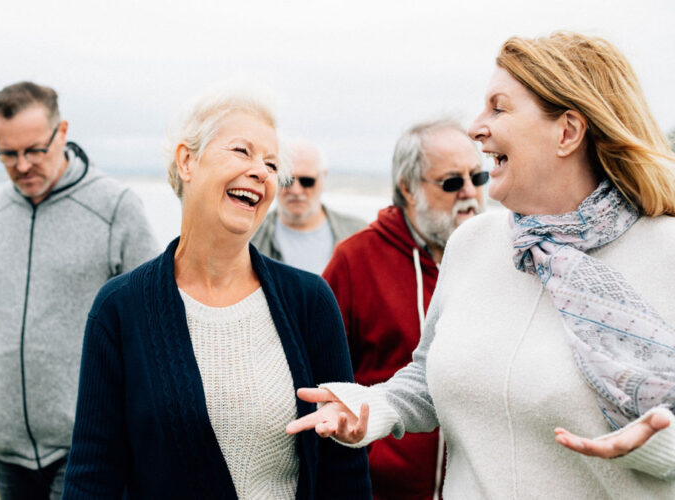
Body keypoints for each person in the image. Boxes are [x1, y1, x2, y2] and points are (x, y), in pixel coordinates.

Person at [287, 32, 675, 498]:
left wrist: (659, 447)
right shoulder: (473, 243)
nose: (475, 128)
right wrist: (372, 406)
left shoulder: (665, 252)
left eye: (498, 108)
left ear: (567, 132)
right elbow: (429, 377)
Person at [61, 87, 370, 499]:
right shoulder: (120, 309)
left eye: (272, 164)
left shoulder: (310, 301)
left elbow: (345, 472)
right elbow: (91, 476)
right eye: (242, 151)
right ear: (186, 161)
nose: (261, 172)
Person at [0, 81, 158, 499]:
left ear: (62, 132)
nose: (22, 165)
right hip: (6, 449)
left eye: (34, 150)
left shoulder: (117, 207)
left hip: (89, 447)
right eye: (7, 153)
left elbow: (153, 315)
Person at [322, 119, 484, 500]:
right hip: (380, 490)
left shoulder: (498, 257)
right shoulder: (355, 261)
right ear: (408, 189)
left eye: (478, 177)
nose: (470, 192)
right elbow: (323, 379)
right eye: (451, 182)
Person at [250, 140, 366, 274]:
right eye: (287, 180)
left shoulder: (358, 234)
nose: (296, 191)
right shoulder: (250, 236)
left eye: (307, 181)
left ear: (323, 178)